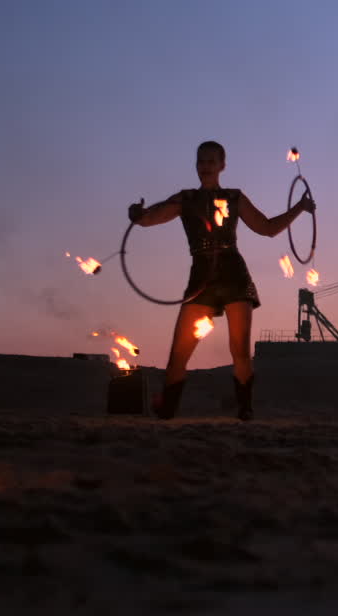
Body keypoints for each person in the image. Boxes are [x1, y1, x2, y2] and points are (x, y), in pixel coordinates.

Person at [128, 141, 314, 420]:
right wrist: (137, 215)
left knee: (239, 350)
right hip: (201, 277)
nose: (205, 166)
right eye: (201, 161)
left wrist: (299, 207)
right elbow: (150, 218)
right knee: (180, 352)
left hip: (233, 274)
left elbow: (267, 228)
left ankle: (245, 409)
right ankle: (167, 409)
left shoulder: (234, 197)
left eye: (211, 161)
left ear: (222, 166)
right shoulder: (186, 198)